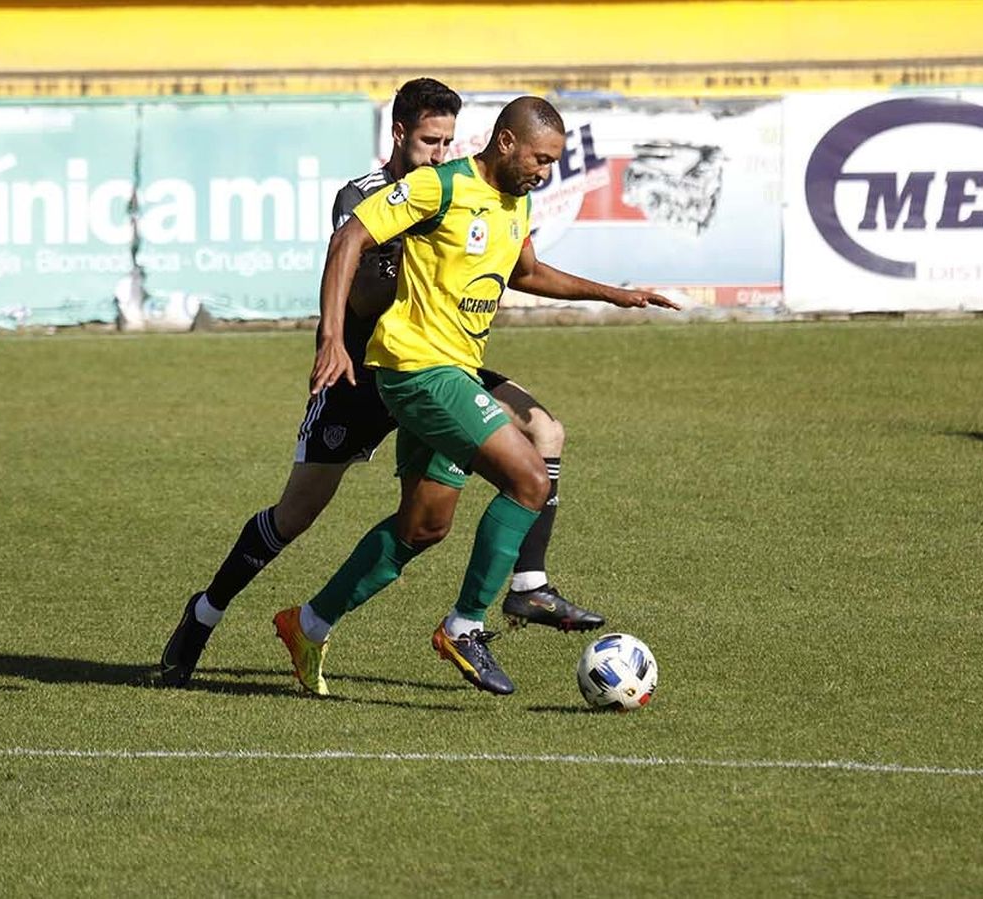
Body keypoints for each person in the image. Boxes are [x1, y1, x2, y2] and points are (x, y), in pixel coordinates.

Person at [159, 78, 602, 689]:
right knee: (295, 516)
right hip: (362, 375)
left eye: (448, 141)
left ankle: (527, 584)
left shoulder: (463, 191)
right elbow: (361, 279)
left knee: (535, 435)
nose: (438, 152)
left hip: (436, 363)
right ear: (399, 134)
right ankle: (205, 613)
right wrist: (335, 332)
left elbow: (510, 266)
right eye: (428, 140)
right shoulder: (369, 195)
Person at [274, 96, 680, 696]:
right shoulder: (438, 188)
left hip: (455, 374)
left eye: (554, 163)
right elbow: (349, 240)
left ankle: (308, 624)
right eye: (540, 158)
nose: (545, 171)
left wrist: (616, 295)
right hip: (417, 370)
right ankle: (467, 626)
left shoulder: (516, 202)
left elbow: (527, 273)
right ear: (507, 142)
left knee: (423, 527)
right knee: (529, 479)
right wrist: (332, 339)